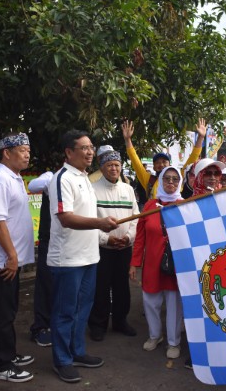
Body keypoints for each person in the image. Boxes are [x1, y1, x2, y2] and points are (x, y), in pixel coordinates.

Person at [47, 130, 118, 384]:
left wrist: (102, 231)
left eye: (91, 147)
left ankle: (76, 352)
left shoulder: (85, 177)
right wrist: (100, 223)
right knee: (65, 312)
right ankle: (62, 360)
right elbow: (65, 218)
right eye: (84, 148)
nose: (90, 152)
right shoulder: (62, 178)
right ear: (69, 152)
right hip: (68, 260)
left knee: (82, 309)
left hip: (89, 257)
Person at [0, 133, 36, 383]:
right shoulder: (1, 179)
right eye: (22, 150)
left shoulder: (14, 177)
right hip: (3, 262)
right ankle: (2, 365)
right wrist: (12, 255)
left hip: (11, 260)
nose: (27, 155)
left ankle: (10, 354)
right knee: (2, 314)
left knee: (10, 310)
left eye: (28, 150)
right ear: (7, 152)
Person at [130, 166, 184, 359]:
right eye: (167, 178)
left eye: (175, 179)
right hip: (152, 264)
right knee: (150, 302)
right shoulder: (149, 206)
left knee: (174, 305)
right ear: (160, 181)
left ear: (180, 182)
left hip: (175, 266)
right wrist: (134, 263)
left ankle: (174, 342)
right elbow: (140, 238)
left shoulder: (186, 205)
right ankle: (155, 335)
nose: (171, 182)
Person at [89, 150, 139, 341]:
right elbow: (89, 221)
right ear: (102, 168)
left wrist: (128, 237)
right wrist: (106, 239)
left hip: (124, 248)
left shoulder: (128, 189)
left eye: (117, 165)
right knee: (100, 287)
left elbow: (136, 218)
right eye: (109, 165)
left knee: (122, 287)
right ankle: (98, 324)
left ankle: (120, 321)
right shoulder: (92, 189)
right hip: (102, 248)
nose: (114, 168)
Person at [122, 118, 206, 199]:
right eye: (157, 162)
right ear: (154, 167)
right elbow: (135, 161)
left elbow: (192, 159)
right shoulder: (149, 180)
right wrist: (127, 139)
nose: (161, 164)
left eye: (164, 162)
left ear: (169, 164)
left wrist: (201, 137)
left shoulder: (179, 176)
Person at [28, 171, 54, 347]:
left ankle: (56, 325)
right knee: (45, 284)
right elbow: (32, 186)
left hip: (68, 243)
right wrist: (55, 183)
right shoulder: (50, 177)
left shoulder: (81, 179)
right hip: (49, 241)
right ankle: (40, 328)